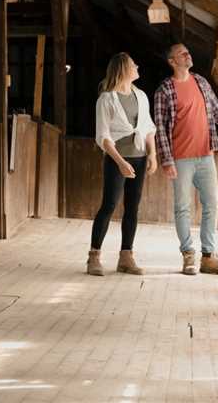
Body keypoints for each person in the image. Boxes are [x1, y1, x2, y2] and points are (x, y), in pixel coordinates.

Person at [154, 43, 218, 276]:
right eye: (183, 53)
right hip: (180, 158)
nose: (188, 54)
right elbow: (160, 128)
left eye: (188, 51)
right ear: (172, 61)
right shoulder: (165, 90)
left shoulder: (201, 82)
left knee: (212, 204)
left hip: (205, 155)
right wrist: (166, 160)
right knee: (183, 208)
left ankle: (209, 257)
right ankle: (188, 256)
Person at [89, 52, 157, 276]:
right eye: (133, 64)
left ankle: (126, 257)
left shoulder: (141, 96)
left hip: (138, 158)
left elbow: (147, 128)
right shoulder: (106, 99)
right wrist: (119, 162)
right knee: (108, 205)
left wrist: (152, 155)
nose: (137, 65)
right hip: (116, 159)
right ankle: (94, 257)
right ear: (123, 69)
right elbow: (103, 137)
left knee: (132, 208)